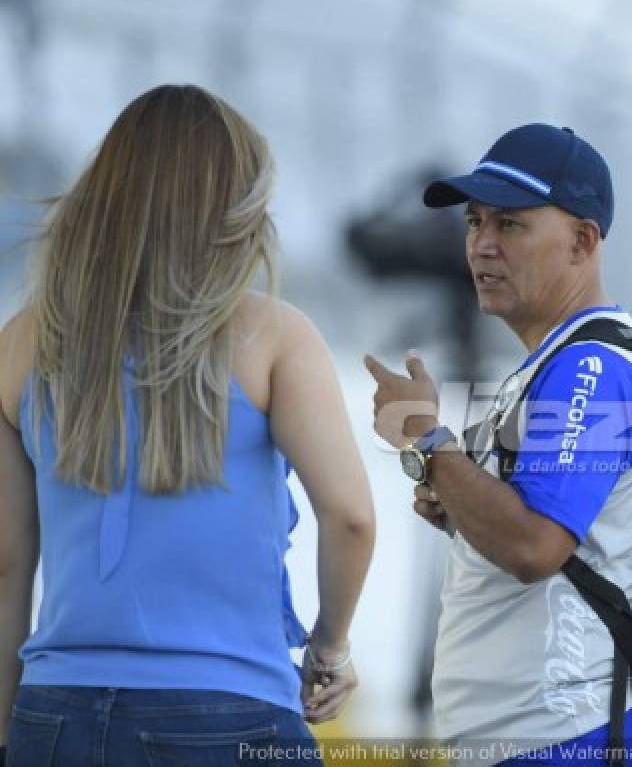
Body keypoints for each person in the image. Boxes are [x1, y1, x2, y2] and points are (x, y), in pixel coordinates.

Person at [0, 84, 375, 765]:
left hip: (55, 712)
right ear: (234, 210)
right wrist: (330, 648)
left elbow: (6, 562)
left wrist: (10, 726)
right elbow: (350, 516)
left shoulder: (24, 341)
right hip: (228, 711)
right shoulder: (272, 335)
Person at [365, 124, 632, 766]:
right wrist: (455, 494)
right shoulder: (555, 366)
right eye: (474, 223)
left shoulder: (590, 368)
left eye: (511, 224)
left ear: (583, 240)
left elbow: (534, 547)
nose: (481, 245)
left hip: (565, 741)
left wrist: (427, 439)